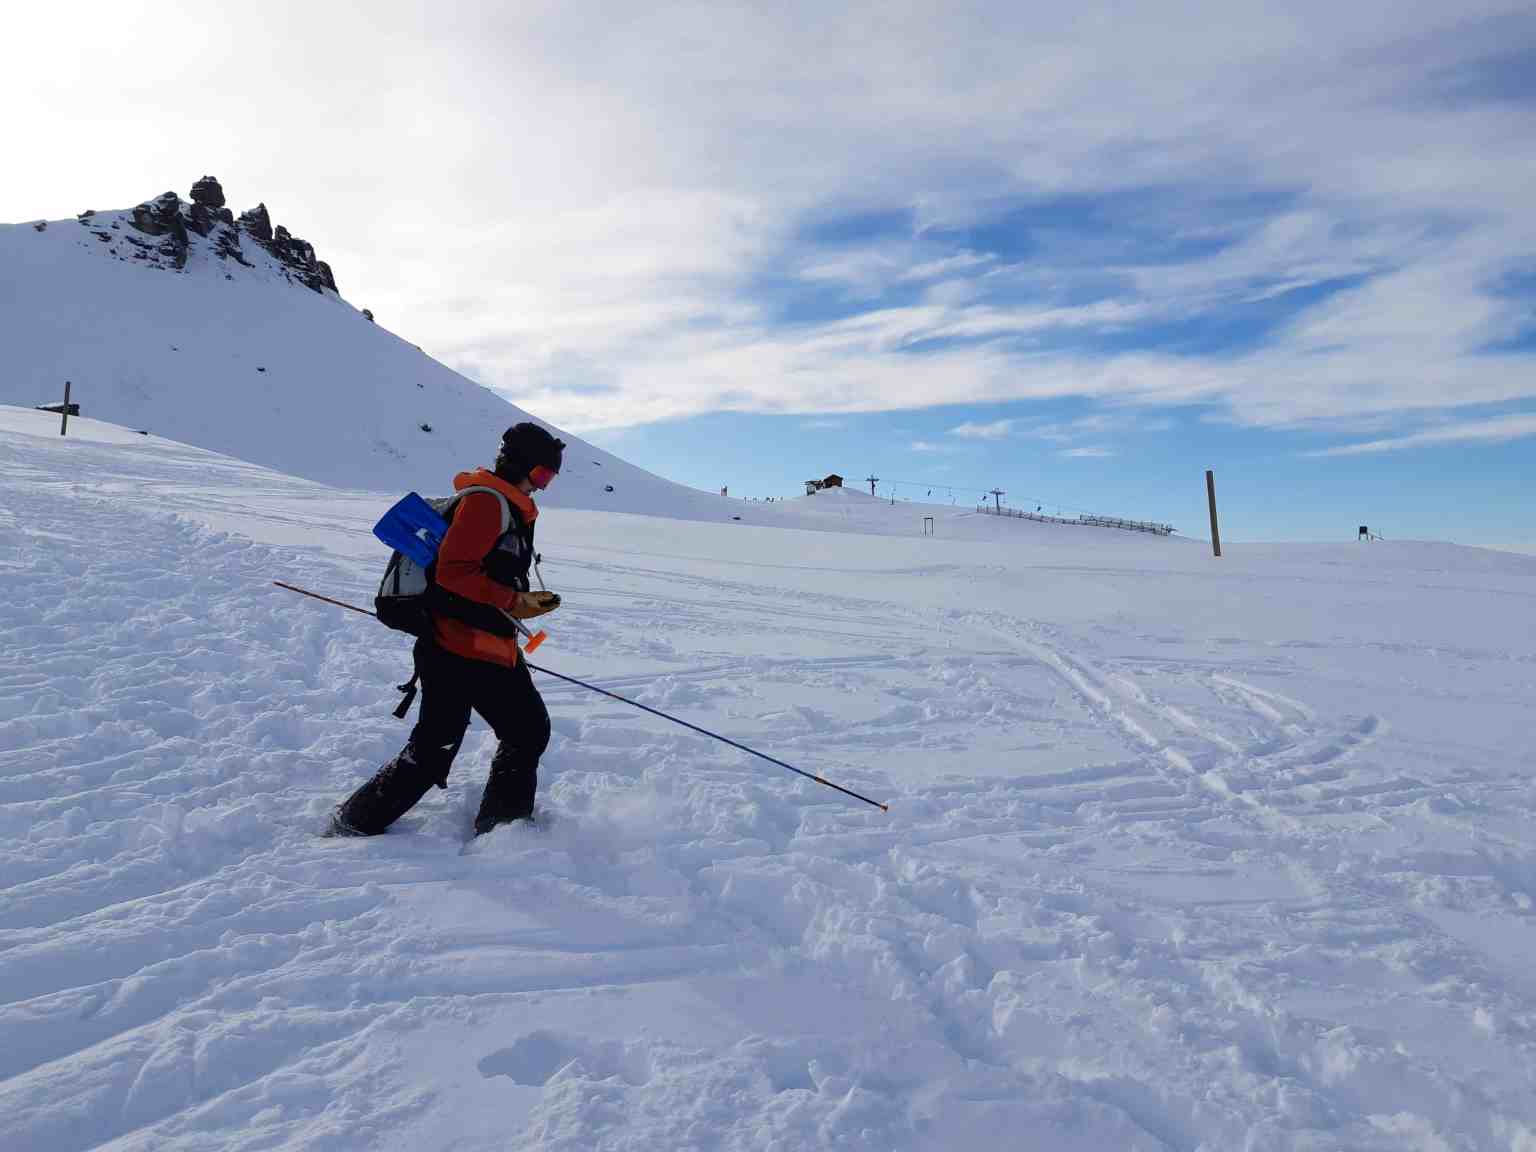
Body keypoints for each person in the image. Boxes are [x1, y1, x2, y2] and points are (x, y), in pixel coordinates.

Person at [330, 422, 565, 838]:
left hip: (484, 645)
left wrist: (518, 602)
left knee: (513, 732)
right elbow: (454, 573)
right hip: (459, 648)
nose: (544, 487)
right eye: (543, 475)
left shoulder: (507, 506)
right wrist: (513, 601)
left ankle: (359, 821)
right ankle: (498, 828)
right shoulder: (486, 504)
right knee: (477, 741)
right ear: (521, 466)